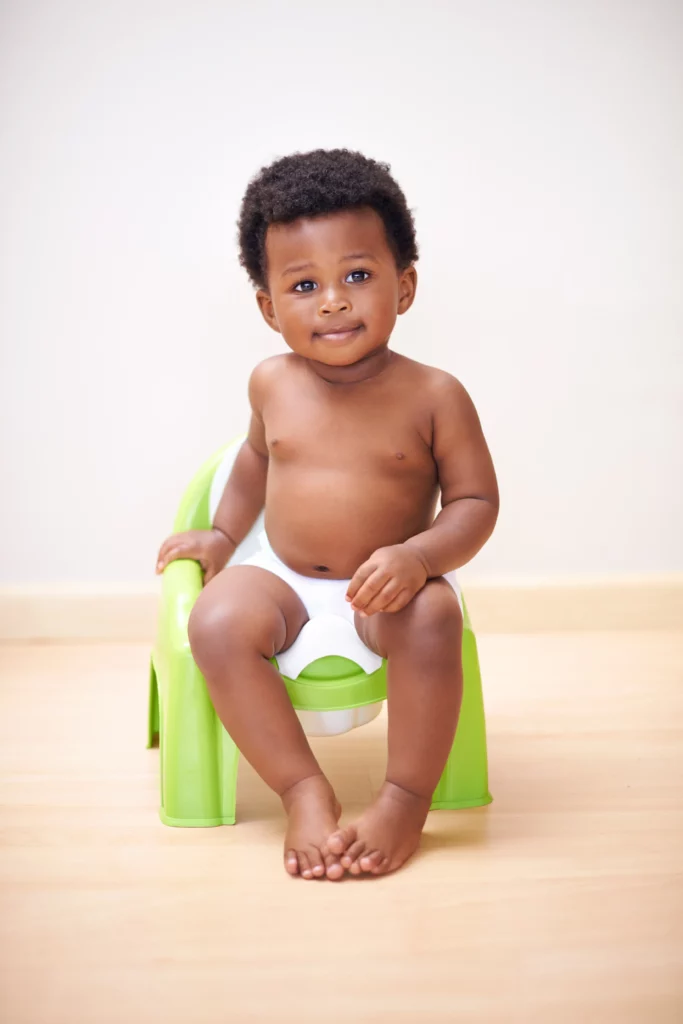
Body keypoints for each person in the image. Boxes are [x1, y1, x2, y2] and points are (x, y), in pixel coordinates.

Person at [156, 149, 499, 880]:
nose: (333, 300)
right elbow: (254, 462)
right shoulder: (270, 382)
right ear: (268, 305)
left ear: (403, 286)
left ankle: (404, 798)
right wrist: (221, 536)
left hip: (388, 588)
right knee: (214, 620)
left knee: (435, 619)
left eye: (358, 276)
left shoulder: (434, 396)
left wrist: (420, 558)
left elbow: (475, 503)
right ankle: (302, 788)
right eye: (304, 284)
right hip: (283, 578)